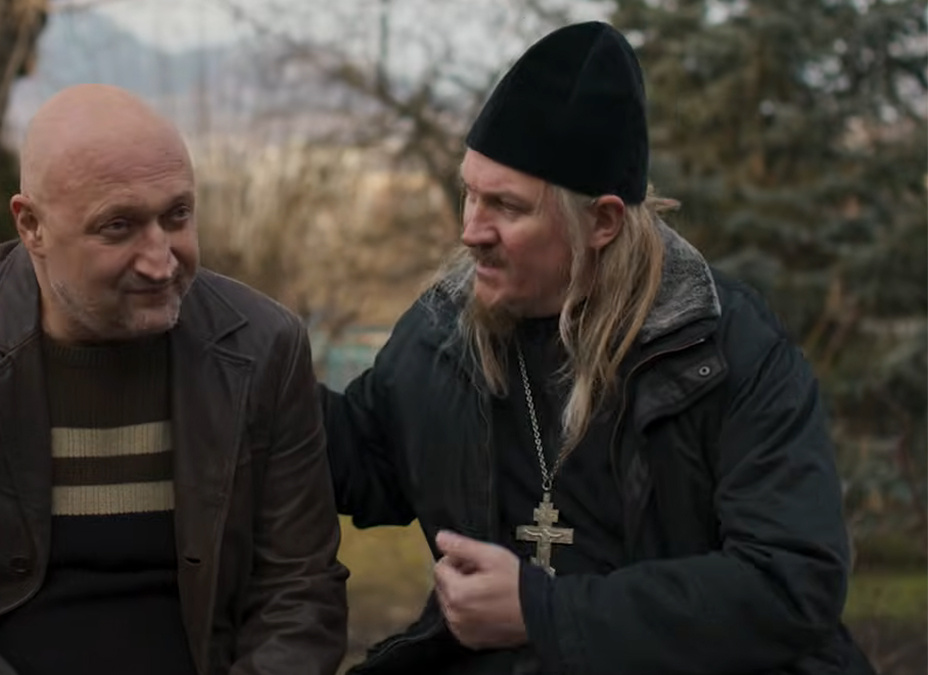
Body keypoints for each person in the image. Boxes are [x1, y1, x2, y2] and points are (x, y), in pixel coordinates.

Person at [321, 21, 874, 675]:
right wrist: (241, 346)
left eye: (506, 206)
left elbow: (790, 582)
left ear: (602, 221)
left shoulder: (726, 353)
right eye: (469, 192)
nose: (471, 230)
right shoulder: (442, 332)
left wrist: (544, 611)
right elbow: (366, 458)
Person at [0, 84, 348, 675]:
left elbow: (300, 594)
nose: (160, 260)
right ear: (32, 226)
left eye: (177, 215)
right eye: (118, 226)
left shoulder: (263, 348)